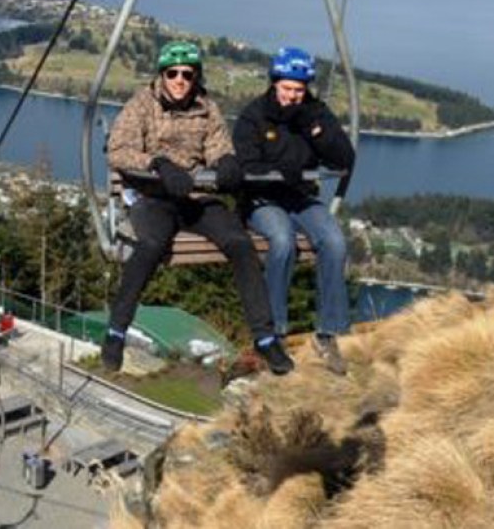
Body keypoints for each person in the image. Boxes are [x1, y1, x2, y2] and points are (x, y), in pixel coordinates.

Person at [103, 40, 293, 375]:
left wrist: (226, 163)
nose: (179, 80)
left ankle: (265, 336)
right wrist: (157, 163)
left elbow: (218, 145)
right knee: (149, 245)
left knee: (239, 244)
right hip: (155, 196)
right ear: (162, 75)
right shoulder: (142, 105)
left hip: (196, 196)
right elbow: (118, 149)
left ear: (196, 77)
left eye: (186, 74)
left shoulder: (206, 108)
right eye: (172, 73)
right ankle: (117, 329)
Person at [233, 46, 356, 375]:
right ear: (274, 83)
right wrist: (274, 171)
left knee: (334, 242)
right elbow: (244, 162)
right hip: (263, 198)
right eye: (286, 88)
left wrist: (316, 130)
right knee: (283, 241)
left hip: (300, 196)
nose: (292, 96)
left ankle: (328, 332)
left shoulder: (314, 113)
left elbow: (343, 158)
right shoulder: (255, 115)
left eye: (298, 90)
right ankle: (273, 333)